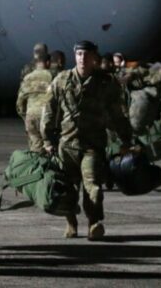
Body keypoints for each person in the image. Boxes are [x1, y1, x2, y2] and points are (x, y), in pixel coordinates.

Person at [42, 40, 133, 241]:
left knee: (93, 186)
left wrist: (127, 140)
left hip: (92, 145)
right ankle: (71, 223)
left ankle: (94, 222)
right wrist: (47, 141)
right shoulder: (62, 80)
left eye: (86, 54)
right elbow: (48, 112)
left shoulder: (106, 83)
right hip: (67, 145)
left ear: (94, 58)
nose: (82, 58)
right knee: (67, 189)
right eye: (79, 54)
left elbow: (117, 115)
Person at [15, 55, 53, 152]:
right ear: (48, 63)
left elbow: (20, 102)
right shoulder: (53, 76)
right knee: (51, 147)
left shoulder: (27, 78)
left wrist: (25, 116)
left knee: (36, 147)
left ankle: (38, 165)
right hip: (47, 116)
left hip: (31, 116)